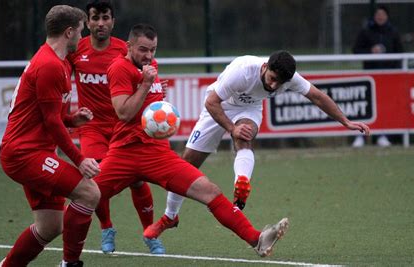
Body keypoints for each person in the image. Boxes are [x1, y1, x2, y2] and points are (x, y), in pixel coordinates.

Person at [94, 23, 290, 258]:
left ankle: (256, 238)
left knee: (210, 191)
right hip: (125, 152)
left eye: (153, 50)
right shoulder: (119, 69)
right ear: (129, 46)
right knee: (85, 195)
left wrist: (158, 103)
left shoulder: (151, 67)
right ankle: (66, 252)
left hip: (156, 153)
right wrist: (146, 86)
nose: (149, 56)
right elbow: (124, 113)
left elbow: (147, 106)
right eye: (143, 50)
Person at [144, 51, 371, 240]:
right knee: (187, 165)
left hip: (249, 109)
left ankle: (241, 185)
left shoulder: (289, 78)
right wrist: (230, 127)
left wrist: (346, 122)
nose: (273, 86)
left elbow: (318, 97)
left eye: (278, 83)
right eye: (271, 78)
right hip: (219, 107)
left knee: (245, 136)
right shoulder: (242, 71)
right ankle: (170, 216)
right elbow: (211, 102)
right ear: (264, 67)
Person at [0, 5, 101, 267]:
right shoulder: (49, 65)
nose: (82, 37)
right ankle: (70, 263)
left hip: (33, 152)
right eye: (80, 32)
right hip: (24, 154)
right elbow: (52, 123)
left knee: (49, 226)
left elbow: (50, 116)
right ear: (69, 32)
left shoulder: (59, 62)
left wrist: (72, 119)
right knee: (89, 192)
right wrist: (79, 159)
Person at [67, 0, 164, 254]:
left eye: (106, 18)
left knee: (137, 179)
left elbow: (148, 79)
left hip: (124, 126)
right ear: (87, 22)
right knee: (94, 178)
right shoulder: (77, 49)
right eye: (95, 18)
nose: (100, 23)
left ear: (113, 21)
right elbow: (61, 80)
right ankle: (106, 228)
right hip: (92, 127)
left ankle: (150, 233)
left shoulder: (127, 50)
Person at [351, 4, 404, 148]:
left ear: (387, 16)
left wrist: (393, 68)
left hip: (388, 77)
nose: (380, 17)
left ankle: (383, 135)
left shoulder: (393, 32)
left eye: (383, 14)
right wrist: (370, 51)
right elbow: (356, 50)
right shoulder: (366, 31)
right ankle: (360, 136)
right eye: (378, 14)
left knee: (385, 106)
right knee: (365, 106)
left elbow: (400, 53)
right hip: (370, 76)